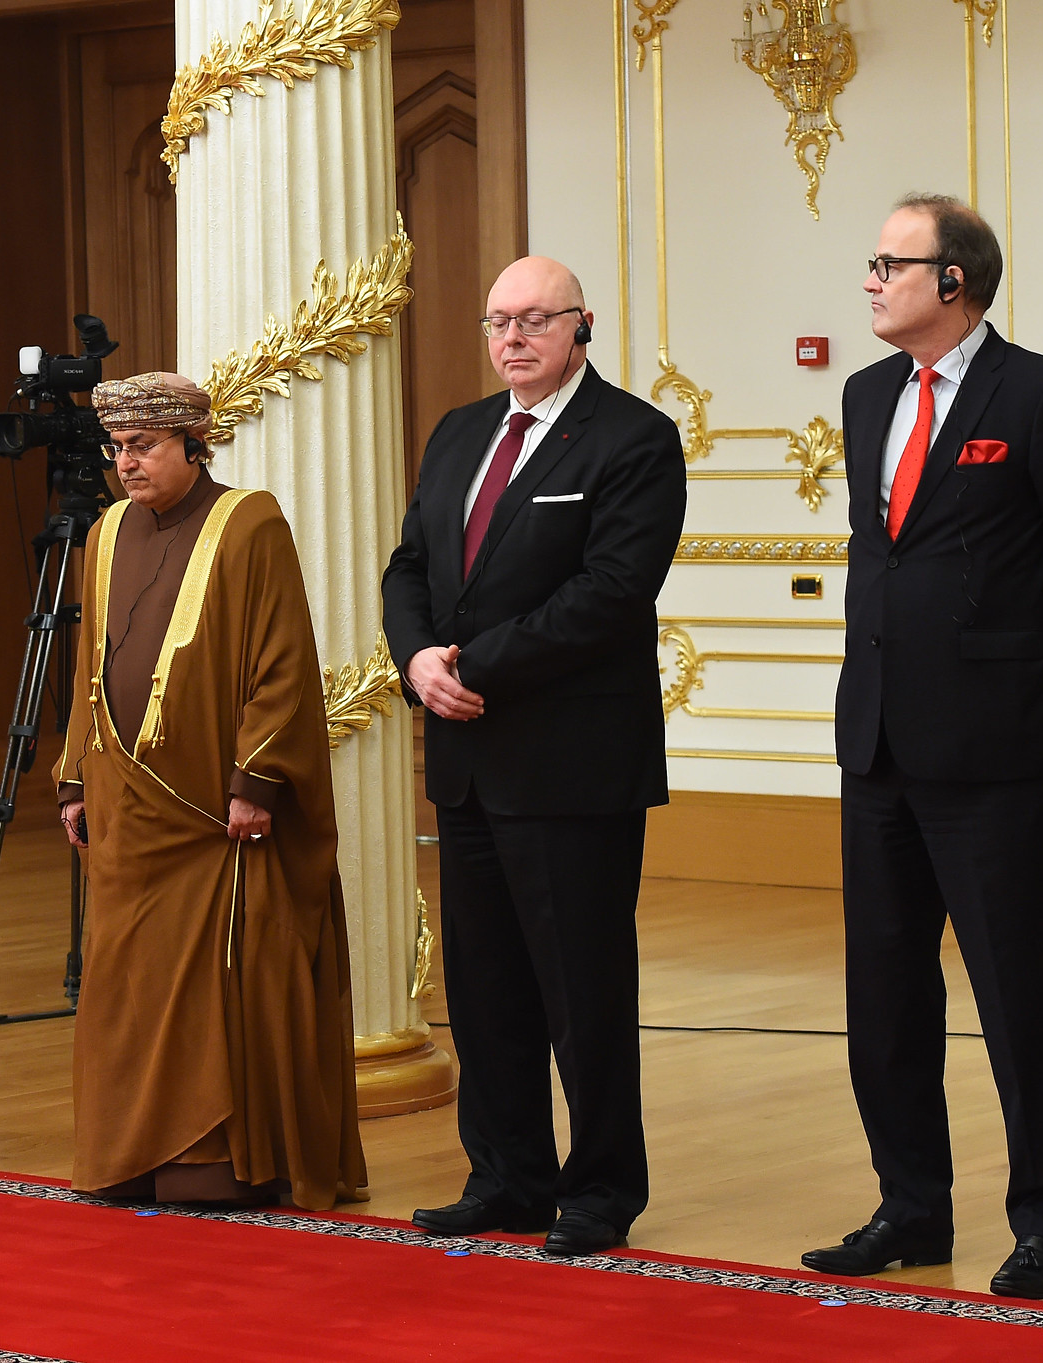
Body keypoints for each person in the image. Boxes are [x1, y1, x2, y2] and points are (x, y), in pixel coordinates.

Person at [807, 194, 1043, 1298]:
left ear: (952, 280)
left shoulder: (1038, 393)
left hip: (995, 748)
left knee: (1017, 990)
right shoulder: (863, 397)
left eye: (886, 262)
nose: (868, 280)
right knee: (884, 993)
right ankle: (909, 1206)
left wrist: (1035, 670)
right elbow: (883, 557)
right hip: (879, 741)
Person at [382, 256, 686, 1257]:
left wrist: (473, 664)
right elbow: (409, 567)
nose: (511, 338)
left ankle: (599, 1189)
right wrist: (416, 656)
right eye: (497, 321)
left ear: (579, 326)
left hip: (571, 765)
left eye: (533, 320)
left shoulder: (634, 439)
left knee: (581, 988)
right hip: (466, 755)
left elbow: (608, 592)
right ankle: (505, 1175)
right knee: (483, 987)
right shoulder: (461, 432)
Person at [52, 372, 366, 1209]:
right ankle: (129, 1157)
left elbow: (282, 662)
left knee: (212, 986)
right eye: (117, 448)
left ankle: (215, 1166)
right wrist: (76, 774)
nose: (126, 464)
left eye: (144, 446)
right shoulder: (108, 531)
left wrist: (256, 779)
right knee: (126, 981)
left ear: (195, 443)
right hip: (127, 807)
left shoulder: (249, 520)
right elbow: (89, 668)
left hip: (216, 816)